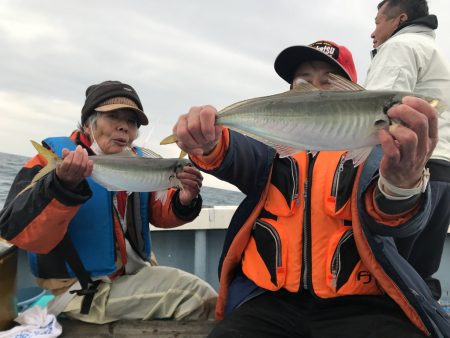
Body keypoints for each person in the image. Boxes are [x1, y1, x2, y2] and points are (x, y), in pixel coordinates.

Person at [170, 41, 450, 337]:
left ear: (353, 92)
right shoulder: (269, 149)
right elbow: (236, 152)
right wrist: (210, 143)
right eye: (303, 82)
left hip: (362, 304)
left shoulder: (376, 150)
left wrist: (401, 182)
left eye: (329, 81)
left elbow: (399, 219)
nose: (315, 90)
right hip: (270, 301)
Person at [0, 80, 217, 323]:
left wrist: (184, 200)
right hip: (82, 289)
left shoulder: (138, 163)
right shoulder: (52, 160)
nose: (125, 127)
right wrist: (62, 187)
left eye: (132, 122)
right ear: (87, 122)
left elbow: (160, 213)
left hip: (132, 276)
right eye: (114, 116)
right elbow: (16, 230)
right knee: (198, 297)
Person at [365, 0, 450, 300]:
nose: (373, 33)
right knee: (419, 277)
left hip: (409, 173)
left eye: (377, 22)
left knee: (387, 277)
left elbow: (376, 115)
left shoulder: (400, 46)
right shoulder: (433, 51)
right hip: (441, 172)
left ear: (399, 19)